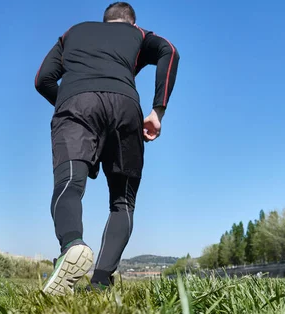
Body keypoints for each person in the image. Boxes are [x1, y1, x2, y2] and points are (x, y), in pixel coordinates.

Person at [34, 2, 180, 294]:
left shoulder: (72, 32)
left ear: (105, 20)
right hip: (125, 106)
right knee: (122, 201)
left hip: (76, 104)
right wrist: (157, 111)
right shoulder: (137, 34)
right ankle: (100, 281)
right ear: (130, 20)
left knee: (69, 182)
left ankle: (72, 245)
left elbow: (43, 80)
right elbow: (169, 50)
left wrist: (70, 100)